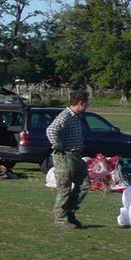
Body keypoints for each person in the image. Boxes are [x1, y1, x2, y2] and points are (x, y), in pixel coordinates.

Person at [46, 89, 90, 228]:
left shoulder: (76, 116)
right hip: (65, 156)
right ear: (80, 103)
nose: (87, 107)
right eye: (86, 104)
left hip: (76, 156)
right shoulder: (65, 115)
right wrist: (58, 145)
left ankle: (70, 212)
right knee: (64, 188)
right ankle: (60, 219)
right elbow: (51, 130)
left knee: (84, 184)